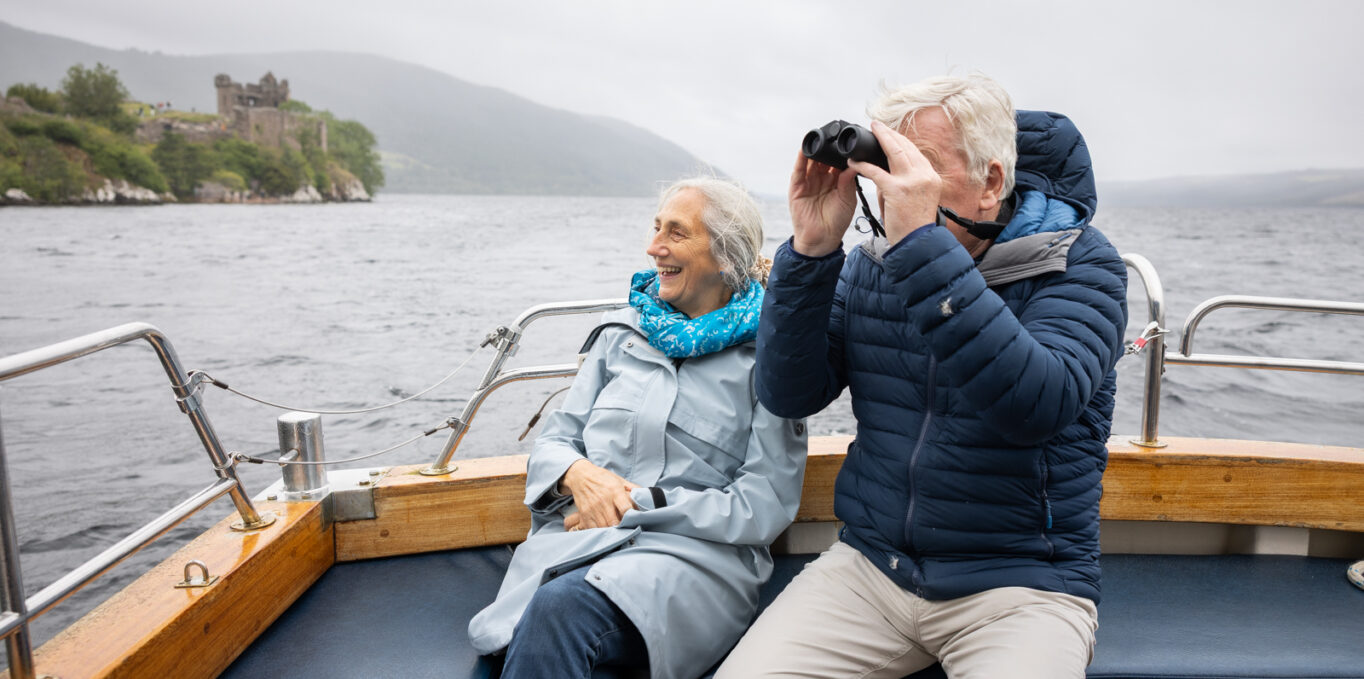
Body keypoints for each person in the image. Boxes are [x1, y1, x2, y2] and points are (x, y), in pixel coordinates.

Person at [717, 74, 1128, 678]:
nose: (893, 184)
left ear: (991, 182)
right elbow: (789, 393)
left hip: (1021, 586)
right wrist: (809, 252)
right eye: (888, 162)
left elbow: (1036, 404)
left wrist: (921, 247)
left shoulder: (1079, 262)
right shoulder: (873, 266)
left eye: (920, 165)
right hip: (873, 570)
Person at [468, 177, 808, 679]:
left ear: (724, 256)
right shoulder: (622, 334)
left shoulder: (771, 358)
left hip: (695, 563)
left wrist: (632, 504)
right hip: (579, 541)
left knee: (559, 612)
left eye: (676, 232)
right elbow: (557, 440)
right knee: (529, 637)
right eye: (655, 229)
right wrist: (580, 476)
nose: (654, 248)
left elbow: (764, 504)